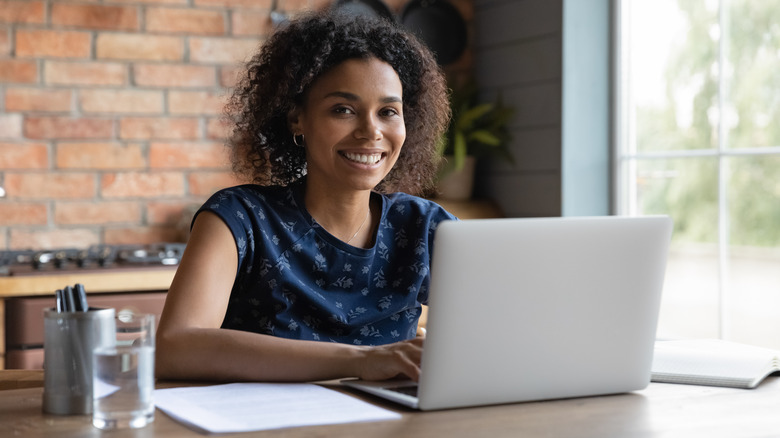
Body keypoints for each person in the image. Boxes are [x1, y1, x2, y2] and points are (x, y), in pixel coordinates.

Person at [156, 10, 455, 383]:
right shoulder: (239, 219)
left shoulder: (426, 227)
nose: (371, 131)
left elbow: (495, 336)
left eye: (388, 112)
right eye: (343, 109)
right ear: (298, 118)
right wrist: (360, 361)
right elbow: (175, 348)